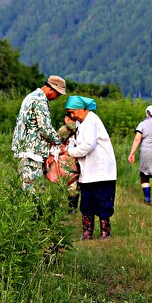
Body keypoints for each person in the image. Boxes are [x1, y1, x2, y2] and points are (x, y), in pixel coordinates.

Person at [62, 95, 117, 239]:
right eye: (69, 113)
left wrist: (69, 152)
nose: (71, 116)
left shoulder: (91, 120)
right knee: (86, 204)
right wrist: (70, 146)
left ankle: (106, 234)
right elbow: (77, 142)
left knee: (103, 203)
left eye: (72, 112)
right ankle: (87, 234)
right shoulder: (81, 123)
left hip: (101, 171)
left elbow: (88, 145)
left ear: (81, 109)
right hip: (88, 172)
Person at [12, 75, 66, 192]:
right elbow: (45, 128)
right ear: (52, 88)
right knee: (34, 192)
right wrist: (58, 142)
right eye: (58, 94)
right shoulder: (40, 101)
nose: (57, 97)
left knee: (27, 188)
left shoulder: (31, 96)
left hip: (25, 150)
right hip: (32, 152)